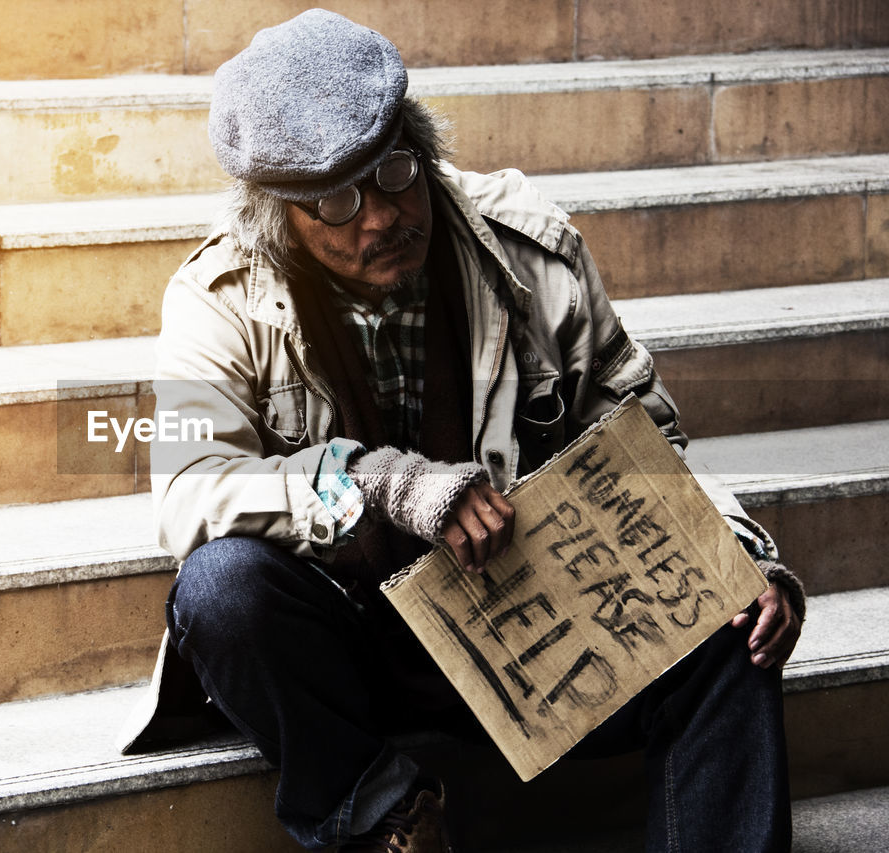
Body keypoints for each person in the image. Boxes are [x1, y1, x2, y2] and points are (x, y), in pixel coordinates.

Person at [118, 9, 804, 852]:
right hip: (355, 644)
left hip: (533, 629)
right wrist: (376, 481)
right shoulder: (216, 296)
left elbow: (646, 445)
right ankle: (386, 817)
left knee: (736, 622)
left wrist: (734, 553)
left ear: (422, 145)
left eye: (396, 170)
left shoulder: (532, 249)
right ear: (278, 213)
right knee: (221, 590)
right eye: (336, 200)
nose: (379, 216)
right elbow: (189, 489)